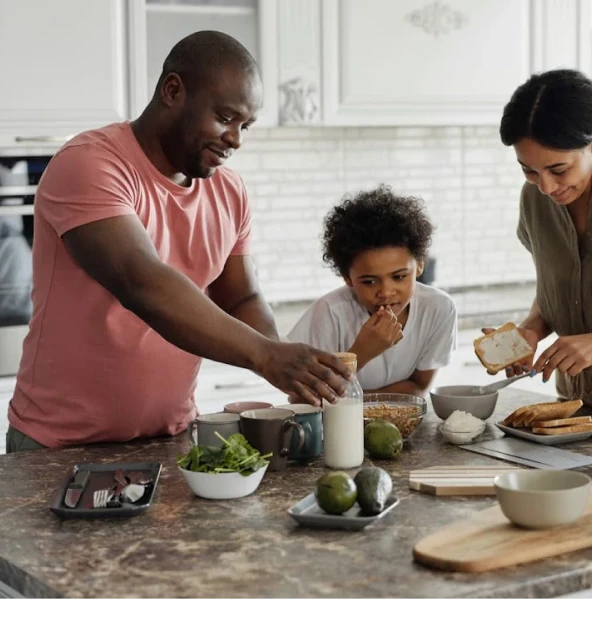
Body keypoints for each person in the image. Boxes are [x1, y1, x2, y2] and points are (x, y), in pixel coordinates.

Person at [5, 30, 352, 453]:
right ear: (172, 90)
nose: (236, 139)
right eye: (225, 118)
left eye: (246, 125)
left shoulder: (229, 191)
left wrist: (285, 365)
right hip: (60, 445)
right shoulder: (89, 164)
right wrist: (265, 355)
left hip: (171, 437)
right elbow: (142, 282)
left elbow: (241, 297)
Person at [489, 68, 592, 410]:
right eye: (529, 170)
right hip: (578, 413)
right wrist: (531, 331)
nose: (546, 187)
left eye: (558, 170)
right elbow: (559, 290)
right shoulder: (534, 200)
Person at [287, 184, 457, 396]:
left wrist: (358, 401)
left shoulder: (438, 308)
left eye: (399, 277)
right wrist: (362, 352)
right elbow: (303, 398)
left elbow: (418, 386)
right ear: (348, 278)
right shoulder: (330, 313)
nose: (385, 292)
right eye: (369, 281)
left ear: (420, 265)